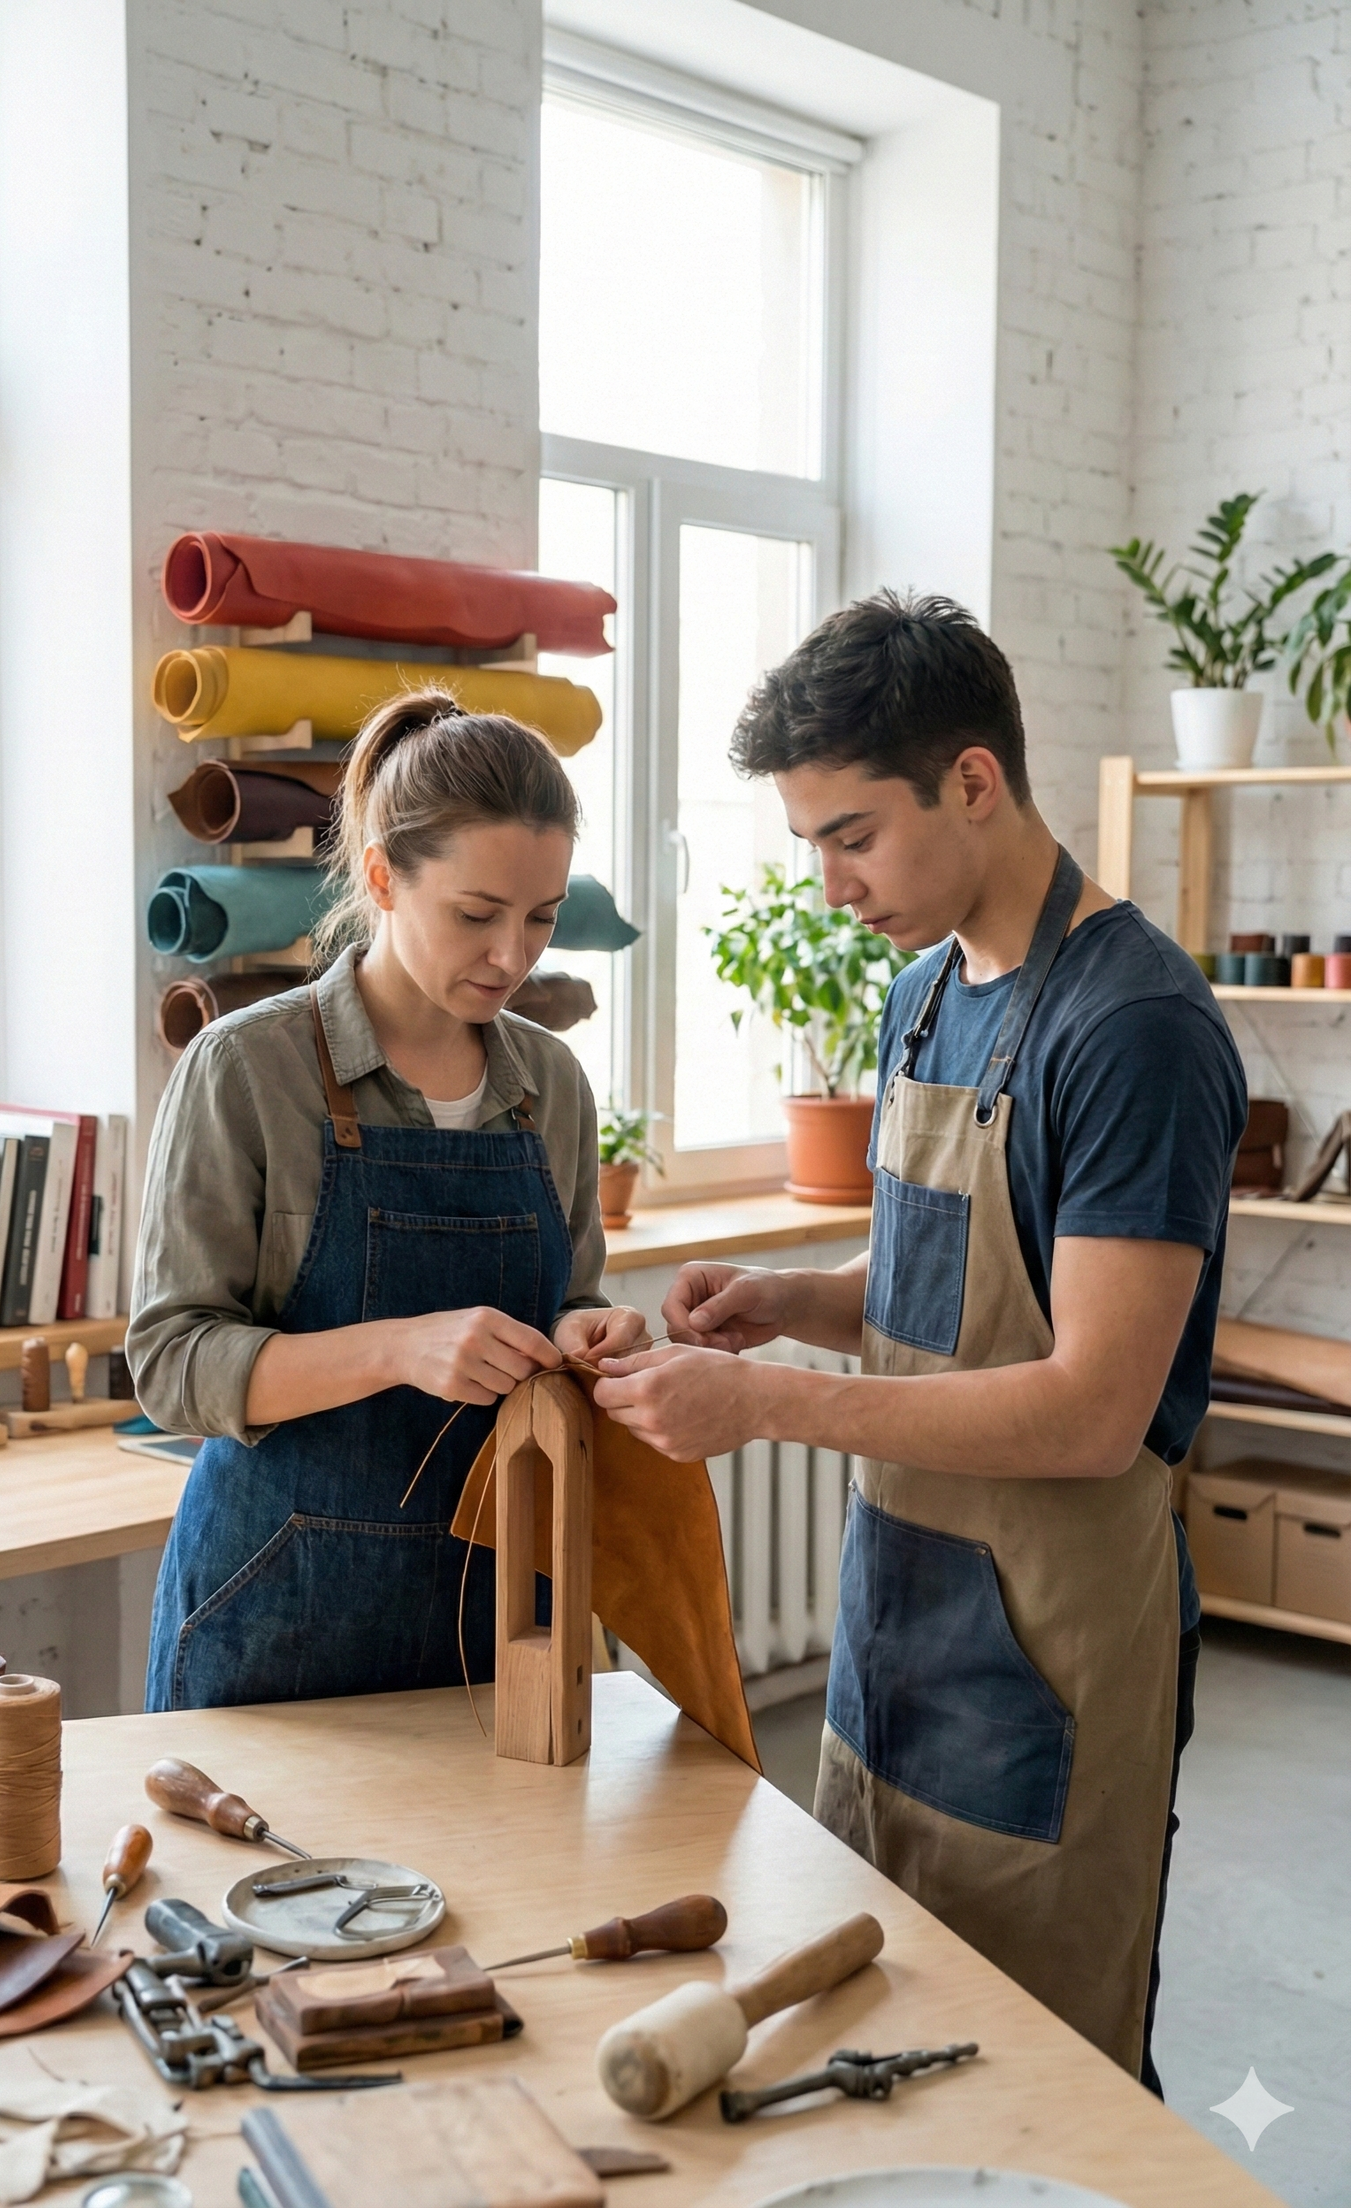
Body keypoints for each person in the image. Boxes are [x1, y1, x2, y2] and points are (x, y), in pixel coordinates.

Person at [594, 593, 1245, 2088]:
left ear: (974, 781)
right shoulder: (924, 990)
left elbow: (1089, 1404)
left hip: (1052, 1645)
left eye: (852, 835)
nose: (828, 886)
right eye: (809, 844)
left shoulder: (1133, 1027)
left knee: (1035, 2082)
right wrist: (792, 1302)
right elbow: (935, 1288)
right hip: (898, 1625)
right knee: (878, 2039)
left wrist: (762, 1401)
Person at [130, 690, 647, 1713]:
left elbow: (568, 1299)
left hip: (502, 1624)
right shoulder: (249, 1068)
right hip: (277, 1623)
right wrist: (400, 1349)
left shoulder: (551, 1086)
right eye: (476, 915)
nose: (514, 955)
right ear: (381, 877)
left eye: (542, 917)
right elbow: (170, 1365)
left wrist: (594, 1333)